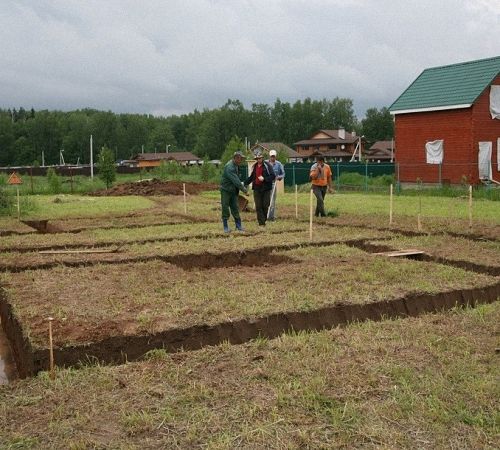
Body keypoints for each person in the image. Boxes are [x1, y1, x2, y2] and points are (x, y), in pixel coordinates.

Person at [220, 151, 248, 233]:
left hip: (233, 190)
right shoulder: (230, 167)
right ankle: (225, 227)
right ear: (236, 158)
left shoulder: (236, 165)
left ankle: (238, 226)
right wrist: (244, 190)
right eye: (240, 159)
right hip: (226, 190)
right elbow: (236, 181)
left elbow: (237, 179)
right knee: (225, 207)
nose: (242, 160)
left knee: (235, 207)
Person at [245, 151, 275, 226]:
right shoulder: (254, 166)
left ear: (262, 158)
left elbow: (273, 176)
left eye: (260, 158)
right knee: (258, 206)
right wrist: (244, 183)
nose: (259, 160)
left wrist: (264, 179)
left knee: (265, 205)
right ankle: (261, 223)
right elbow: (252, 177)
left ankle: (263, 220)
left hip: (266, 188)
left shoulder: (267, 166)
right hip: (257, 188)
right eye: (257, 158)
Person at [266, 149, 285, 221]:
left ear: (275, 156)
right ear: (269, 156)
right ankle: (265, 215)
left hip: (273, 184)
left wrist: (278, 177)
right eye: (271, 156)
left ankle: (271, 217)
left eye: (273, 156)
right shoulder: (265, 163)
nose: (272, 158)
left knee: (272, 201)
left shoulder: (279, 164)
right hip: (265, 184)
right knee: (266, 201)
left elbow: (283, 174)